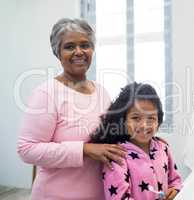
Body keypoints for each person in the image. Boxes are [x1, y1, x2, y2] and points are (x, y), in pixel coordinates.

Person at [17, 18, 127, 200]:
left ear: (92, 49)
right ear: (58, 53)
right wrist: (84, 150)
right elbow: (26, 149)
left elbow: (112, 136)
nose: (79, 52)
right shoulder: (46, 94)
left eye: (85, 45)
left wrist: (148, 141)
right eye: (69, 46)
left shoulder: (101, 92)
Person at [90, 82, 182, 200]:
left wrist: (174, 190)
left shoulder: (163, 148)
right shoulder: (117, 155)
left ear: (158, 120)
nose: (144, 125)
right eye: (136, 118)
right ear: (123, 120)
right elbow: (119, 197)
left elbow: (175, 180)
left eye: (151, 118)